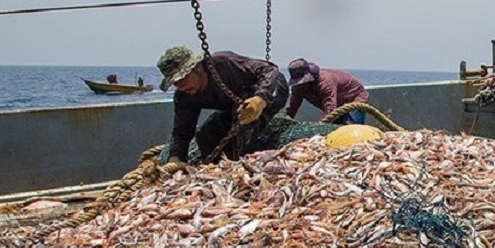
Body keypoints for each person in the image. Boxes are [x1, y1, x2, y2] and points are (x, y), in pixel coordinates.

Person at [158, 45, 289, 164]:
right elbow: (182, 131)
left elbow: (269, 70)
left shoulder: (224, 63)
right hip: (233, 105)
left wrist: (260, 99)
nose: (180, 86)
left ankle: (245, 165)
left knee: (243, 120)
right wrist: (175, 157)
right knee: (205, 134)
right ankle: (218, 169)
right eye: (175, 83)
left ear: (197, 68)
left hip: (272, 90)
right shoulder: (184, 97)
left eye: (183, 78)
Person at [286, 59, 370, 124]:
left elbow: (330, 108)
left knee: (351, 127)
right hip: (336, 104)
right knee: (335, 130)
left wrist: (319, 126)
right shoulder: (297, 88)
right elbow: (292, 106)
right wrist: (286, 120)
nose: (301, 85)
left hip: (354, 97)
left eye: (303, 82)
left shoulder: (325, 83)